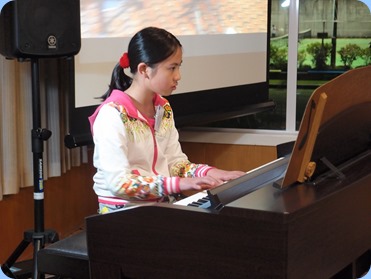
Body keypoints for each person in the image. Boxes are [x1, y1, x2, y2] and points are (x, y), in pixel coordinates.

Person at [89, 27, 245, 213]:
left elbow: (175, 163)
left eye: (179, 66)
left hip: (160, 208)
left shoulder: (163, 108)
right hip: (122, 215)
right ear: (144, 70)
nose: (178, 76)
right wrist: (179, 184)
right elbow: (120, 183)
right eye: (172, 68)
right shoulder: (112, 115)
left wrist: (210, 173)